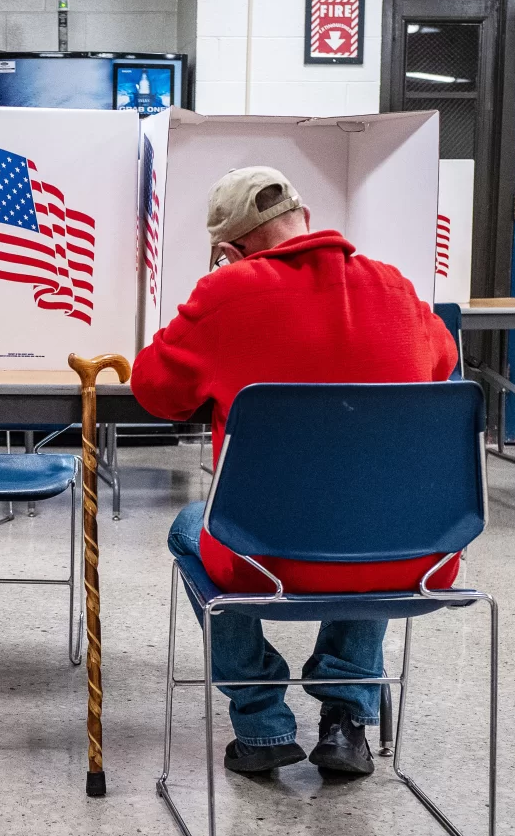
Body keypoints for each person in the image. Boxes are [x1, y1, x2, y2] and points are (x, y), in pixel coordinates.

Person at [131, 166, 460, 778]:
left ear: (229, 252)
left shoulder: (227, 294)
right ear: (305, 218)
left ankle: (260, 722)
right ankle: (345, 718)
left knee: (189, 525)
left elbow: (154, 390)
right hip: (414, 554)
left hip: (266, 559)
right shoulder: (396, 288)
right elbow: (443, 363)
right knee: (367, 522)